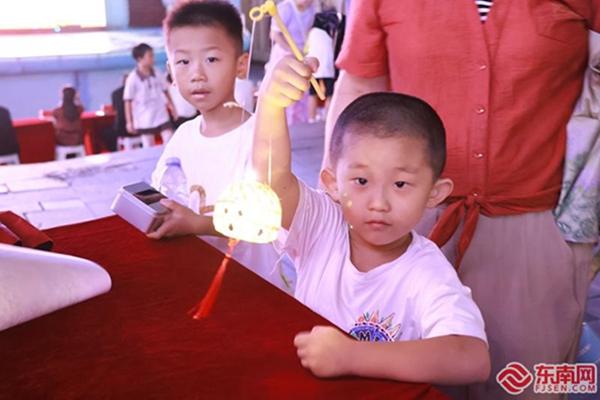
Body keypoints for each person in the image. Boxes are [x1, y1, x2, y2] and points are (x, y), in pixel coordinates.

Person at [321, 1, 600, 398]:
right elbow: (360, 87)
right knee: (403, 384)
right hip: (403, 226)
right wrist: (342, 210)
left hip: (534, 231)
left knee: (524, 384)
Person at [253, 55, 490, 384]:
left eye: (401, 184)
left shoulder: (426, 272)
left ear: (434, 193)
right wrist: (269, 106)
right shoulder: (322, 226)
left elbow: (472, 358)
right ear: (332, 183)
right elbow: (273, 181)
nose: (379, 203)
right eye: (361, 181)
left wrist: (352, 356)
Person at [147, 0, 293, 293]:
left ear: (241, 65)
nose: (197, 74)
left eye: (211, 59)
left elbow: (265, 219)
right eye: (183, 62)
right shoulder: (183, 136)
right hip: (199, 283)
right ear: (170, 71)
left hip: (256, 289)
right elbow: (163, 194)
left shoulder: (259, 136)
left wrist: (197, 224)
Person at [265, 0, 316, 124]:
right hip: (284, 55)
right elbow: (274, 35)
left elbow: (310, 31)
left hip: (301, 55)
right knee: (284, 92)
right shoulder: (285, 8)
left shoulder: (312, 8)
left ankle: (298, 125)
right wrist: (292, 50)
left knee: (301, 91)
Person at [124, 43, 176, 148]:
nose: (153, 59)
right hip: (144, 117)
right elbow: (127, 100)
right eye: (150, 56)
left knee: (169, 138)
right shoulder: (133, 78)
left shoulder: (157, 72)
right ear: (140, 58)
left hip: (160, 113)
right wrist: (129, 122)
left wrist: (173, 108)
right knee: (148, 145)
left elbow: (165, 91)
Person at [305, 10, 338, 123]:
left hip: (313, 67)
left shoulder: (311, 33)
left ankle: (311, 118)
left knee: (313, 93)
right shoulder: (329, 34)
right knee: (329, 94)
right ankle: (328, 117)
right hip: (328, 68)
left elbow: (306, 48)